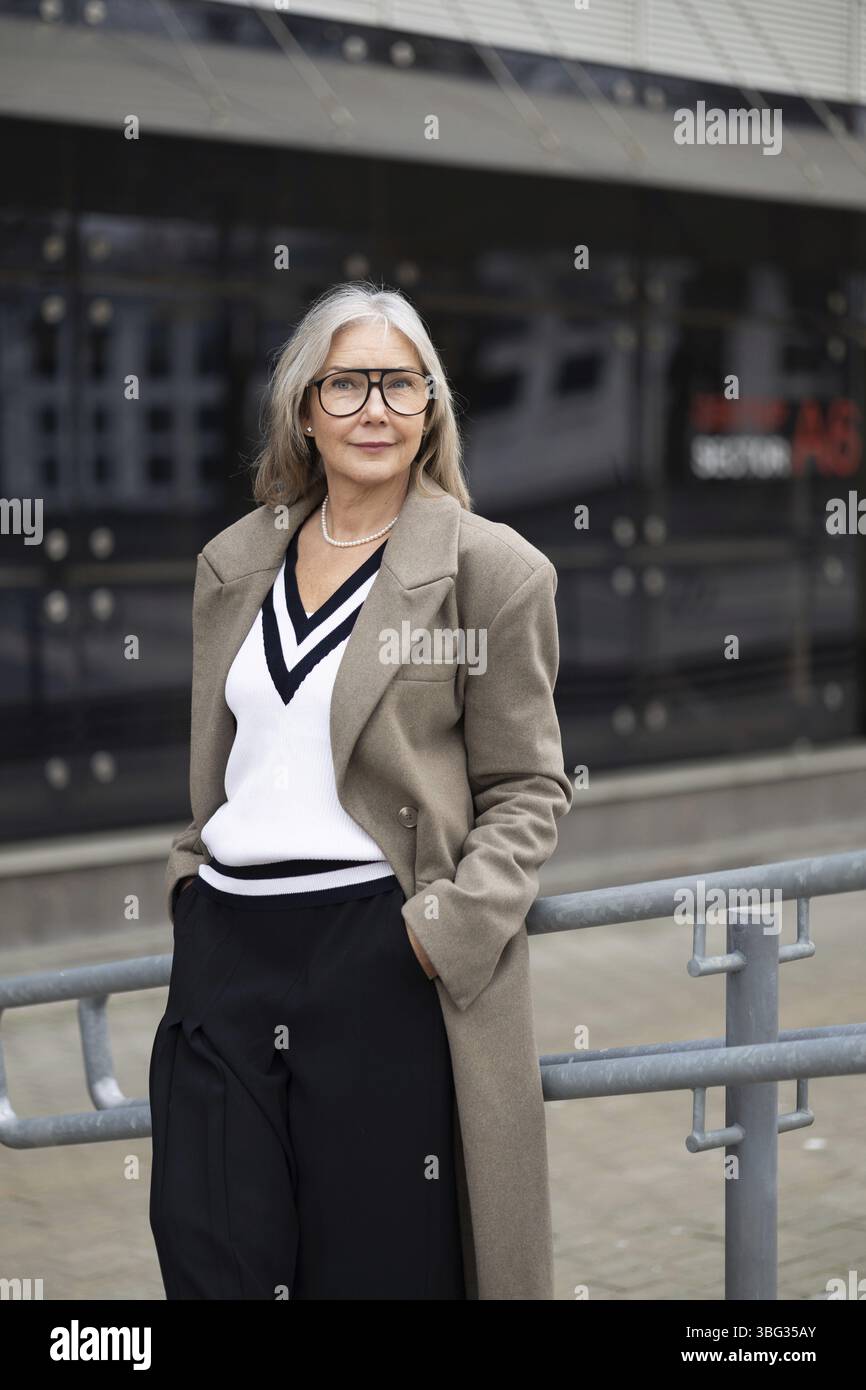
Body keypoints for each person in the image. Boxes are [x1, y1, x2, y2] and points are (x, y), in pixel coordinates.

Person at [148, 279, 573, 1300]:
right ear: (303, 406)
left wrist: (439, 932)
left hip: (379, 954)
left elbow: (527, 785)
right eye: (346, 385)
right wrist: (187, 888)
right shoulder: (234, 564)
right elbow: (222, 764)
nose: (373, 408)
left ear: (430, 408)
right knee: (216, 1254)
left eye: (399, 383)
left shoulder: (490, 570)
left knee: (373, 1271)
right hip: (226, 955)